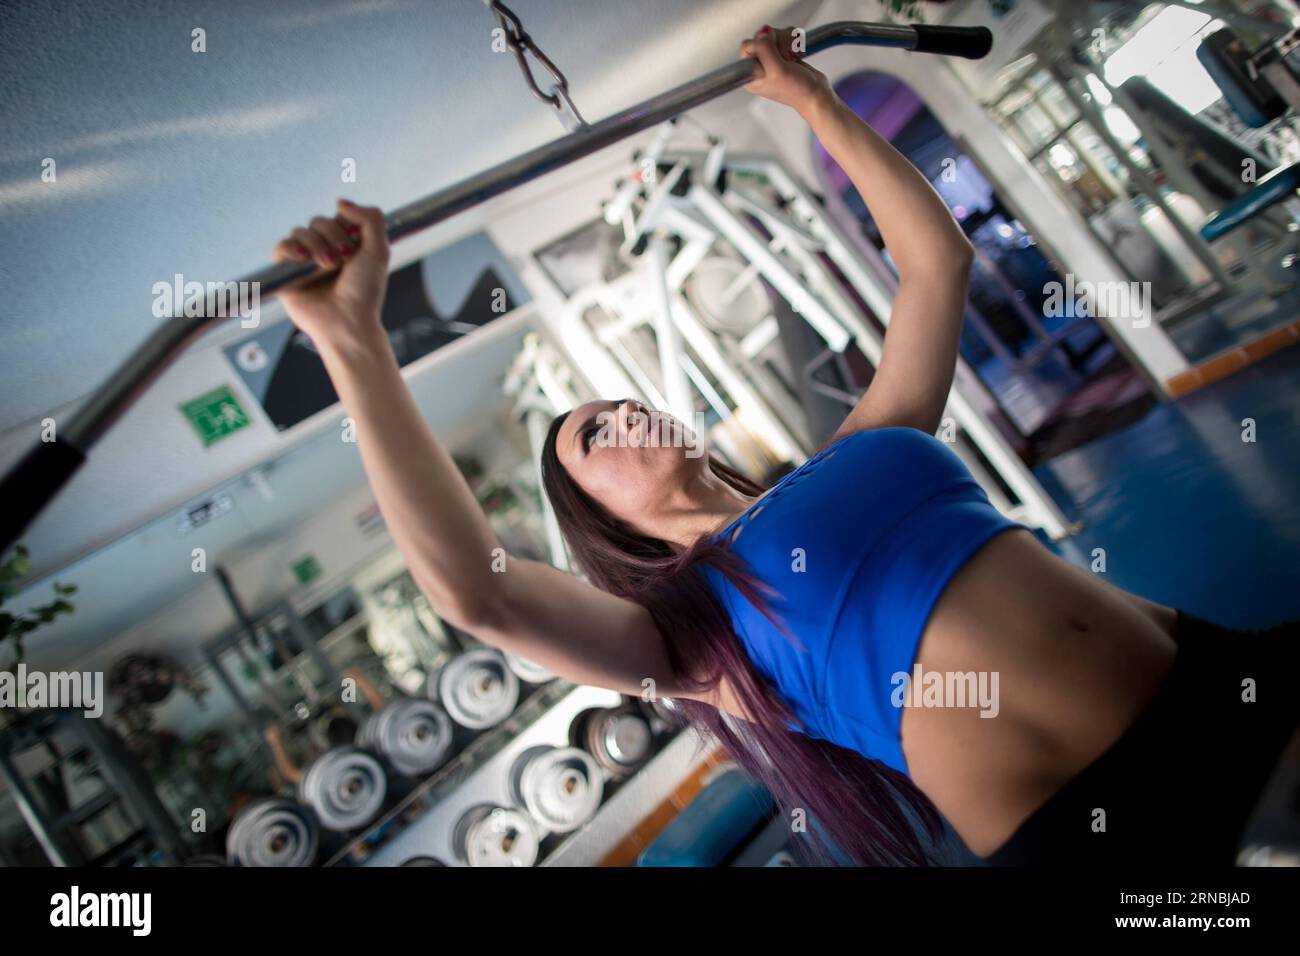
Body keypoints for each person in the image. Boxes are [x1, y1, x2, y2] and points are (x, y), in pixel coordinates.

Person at [267, 27, 1299, 865]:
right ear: (598, 520)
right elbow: (476, 594)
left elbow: (934, 264)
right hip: (1107, 831)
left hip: (1216, 670)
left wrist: (817, 105)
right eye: (594, 433)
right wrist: (357, 344)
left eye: (624, 402)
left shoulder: (853, 453)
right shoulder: (688, 639)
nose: (624, 414)